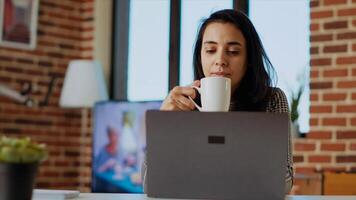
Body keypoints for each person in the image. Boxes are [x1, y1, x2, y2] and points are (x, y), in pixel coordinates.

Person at [144, 9, 293, 193]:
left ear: (249, 59)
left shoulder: (272, 100)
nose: (220, 60)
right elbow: (150, 183)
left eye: (233, 51)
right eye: (210, 50)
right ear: (200, 55)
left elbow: (284, 180)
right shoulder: (183, 104)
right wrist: (163, 126)